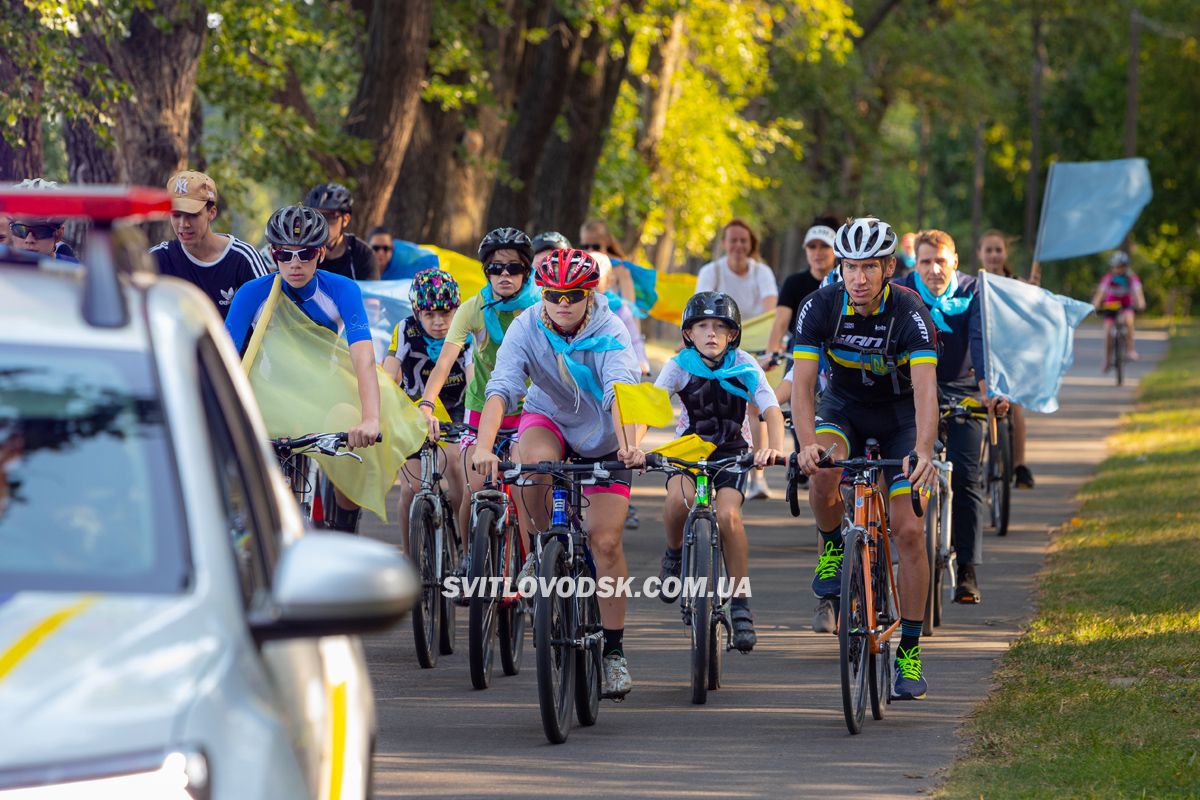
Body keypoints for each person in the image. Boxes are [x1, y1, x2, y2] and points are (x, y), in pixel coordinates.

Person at [473, 248, 642, 699]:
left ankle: (613, 653)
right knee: (530, 465)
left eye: (572, 294)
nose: (562, 303)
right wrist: (485, 448)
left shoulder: (611, 330)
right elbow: (502, 387)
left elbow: (623, 392)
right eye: (553, 294)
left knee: (605, 543)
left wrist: (630, 445)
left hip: (605, 437)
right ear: (542, 293)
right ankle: (541, 549)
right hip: (548, 418)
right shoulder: (528, 324)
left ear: (590, 295)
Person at [791, 216, 939, 701]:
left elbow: (925, 393)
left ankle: (910, 652)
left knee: (910, 531)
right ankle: (834, 545)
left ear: (889, 268)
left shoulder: (911, 311)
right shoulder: (820, 306)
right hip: (845, 411)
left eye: (869, 268)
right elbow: (805, 386)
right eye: (850, 267)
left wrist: (922, 450)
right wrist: (807, 443)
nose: (858, 277)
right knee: (823, 473)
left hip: (900, 420)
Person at [635, 292, 784, 652]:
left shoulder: (745, 363)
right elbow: (653, 409)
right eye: (702, 326)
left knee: (729, 516)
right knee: (677, 501)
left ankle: (742, 604)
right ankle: (673, 554)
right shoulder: (679, 365)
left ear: (733, 335)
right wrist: (632, 447)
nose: (711, 333)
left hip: (732, 452)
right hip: (689, 450)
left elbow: (771, 407)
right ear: (688, 333)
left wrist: (775, 447)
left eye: (720, 326)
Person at [225, 205, 379, 532]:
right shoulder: (252, 293)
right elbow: (227, 357)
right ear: (272, 254)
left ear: (321, 253)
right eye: (285, 255)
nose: (295, 264)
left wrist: (370, 418)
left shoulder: (342, 290)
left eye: (306, 254)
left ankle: (344, 529)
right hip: (270, 397)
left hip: (324, 394)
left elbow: (363, 355)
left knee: (351, 434)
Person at [898, 229, 1009, 604]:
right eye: (925, 261)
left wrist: (986, 388)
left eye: (941, 261)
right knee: (904, 468)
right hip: (911, 392)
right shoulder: (901, 290)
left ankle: (967, 571)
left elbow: (980, 339)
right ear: (916, 263)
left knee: (965, 476)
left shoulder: (973, 290)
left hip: (963, 391)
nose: (933, 270)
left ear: (955, 262)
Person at [417, 227, 540, 548]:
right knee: (473, 493)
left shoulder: (541, 307)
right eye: (494, 268)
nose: (503, 275)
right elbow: (445, 361)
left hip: (528, 412)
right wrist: (426, 405)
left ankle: (530, 565)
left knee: (525, 492)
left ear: (527, 271)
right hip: (480, 408)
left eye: (513, 267)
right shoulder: (473, 308)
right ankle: (470, 557)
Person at [382, 268, 471, 557]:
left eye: (446, 313)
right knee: (409, 489)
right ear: (416, 311)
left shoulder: (466, 334)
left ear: (456, 309)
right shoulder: (404, 330)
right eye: (429, 313)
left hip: (456, 410)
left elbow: (473, 381)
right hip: (414, 411)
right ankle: (409, 558)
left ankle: (465, 547)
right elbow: (388, 375)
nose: (438, 322)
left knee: (457, 466)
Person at [697, 218, 778, 500]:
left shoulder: (762, 272)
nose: (738, 246)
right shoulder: (711, 271)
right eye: (733, 240)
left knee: (754, 406)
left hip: (753, 344)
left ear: (751, 244)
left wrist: (764, 349)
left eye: (744, 240)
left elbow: (770, 312)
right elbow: (701, 308)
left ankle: (758, 474)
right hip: (717, 342)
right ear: (724, 243)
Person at [150, 170, 270, 317]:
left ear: (211, 212)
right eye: (176, 215)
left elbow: (271, 317)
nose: (183, 224)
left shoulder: (243, 258)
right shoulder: (157, 258)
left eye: (192, 215)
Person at [975, 229, 1036, 488]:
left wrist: (1033, 292)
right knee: (981, 407)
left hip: (1011, 354)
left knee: (1016, 405)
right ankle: (976, 463)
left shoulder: (1017, 283)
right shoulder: (973, 284)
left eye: (998, 249)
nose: (993, 255)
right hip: (984, 355)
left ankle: (1019, 464)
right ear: (980, 253)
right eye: (988, 250)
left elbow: (1033, 312)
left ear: (1005, 253)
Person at [766, 215, 839, 361]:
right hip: (800, 352)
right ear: (805, 250)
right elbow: (780, 323)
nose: (817, 252)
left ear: (836, 250)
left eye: (824, 245)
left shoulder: (847, 282)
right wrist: (770, 354)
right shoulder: (793, 283)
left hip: (838, 356)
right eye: (812, 246)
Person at [303, 182, 378, 281]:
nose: (322, 223)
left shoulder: (363, 254)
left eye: (330, 216)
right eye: (315, 217)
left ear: (345, 219)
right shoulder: (300, 252)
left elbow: (371, 295)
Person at [1091, 251, 1146, 367]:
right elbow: (1099, 294)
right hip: (1111, 305)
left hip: (1126, 304)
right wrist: (1095, 305)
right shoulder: (1108, 278)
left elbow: (1138, 292)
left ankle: (1130, 350)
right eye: (1115, 267)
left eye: (1120, 266)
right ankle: (1107, 360)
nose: (1117, 269)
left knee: (1129, 321)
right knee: (1107, 331)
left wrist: (1140, 302)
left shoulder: (1131, 278)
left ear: (1125, 267)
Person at [5, 179, 79, 263]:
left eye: (40, 231)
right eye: (20, 230)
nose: (29, 240)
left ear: (58, 234)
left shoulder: (74, 270)